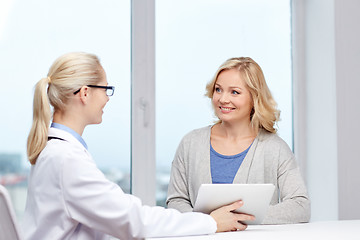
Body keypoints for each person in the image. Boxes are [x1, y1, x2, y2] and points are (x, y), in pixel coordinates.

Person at [22, 52, 254, 240]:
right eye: (105, 89)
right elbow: (134, 221)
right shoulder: (66, 159)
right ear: (85, 93)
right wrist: (211, 222)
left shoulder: (57, 152)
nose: (107, 98)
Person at [166, 57, 311, 225]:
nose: (223, 99)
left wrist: (238, 218)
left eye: (234, 92)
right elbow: (176, 201)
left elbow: (300, 207)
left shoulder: (275, 148)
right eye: (218, 89)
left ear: (254, 98)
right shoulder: (191, 143)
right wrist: (211, 222)